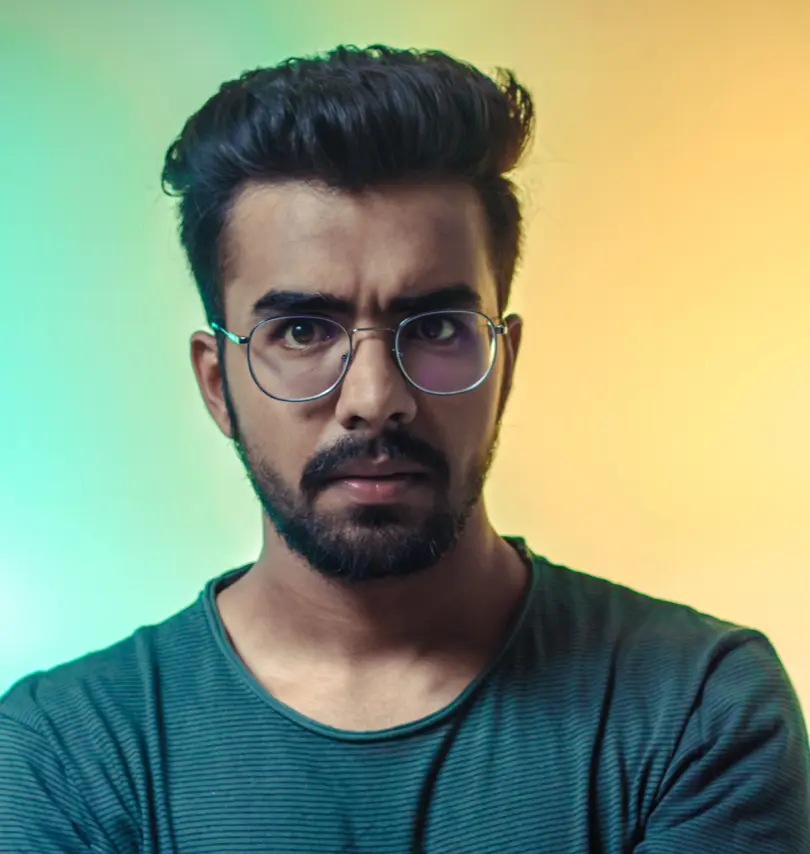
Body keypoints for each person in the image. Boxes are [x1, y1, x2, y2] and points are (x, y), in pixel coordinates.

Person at [1, 44, 808, 854]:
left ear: (504, 363)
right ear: (218, 384)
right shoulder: (62, 753)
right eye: (302, 331)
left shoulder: (696, 706)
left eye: (437, 328)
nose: (374, 397)